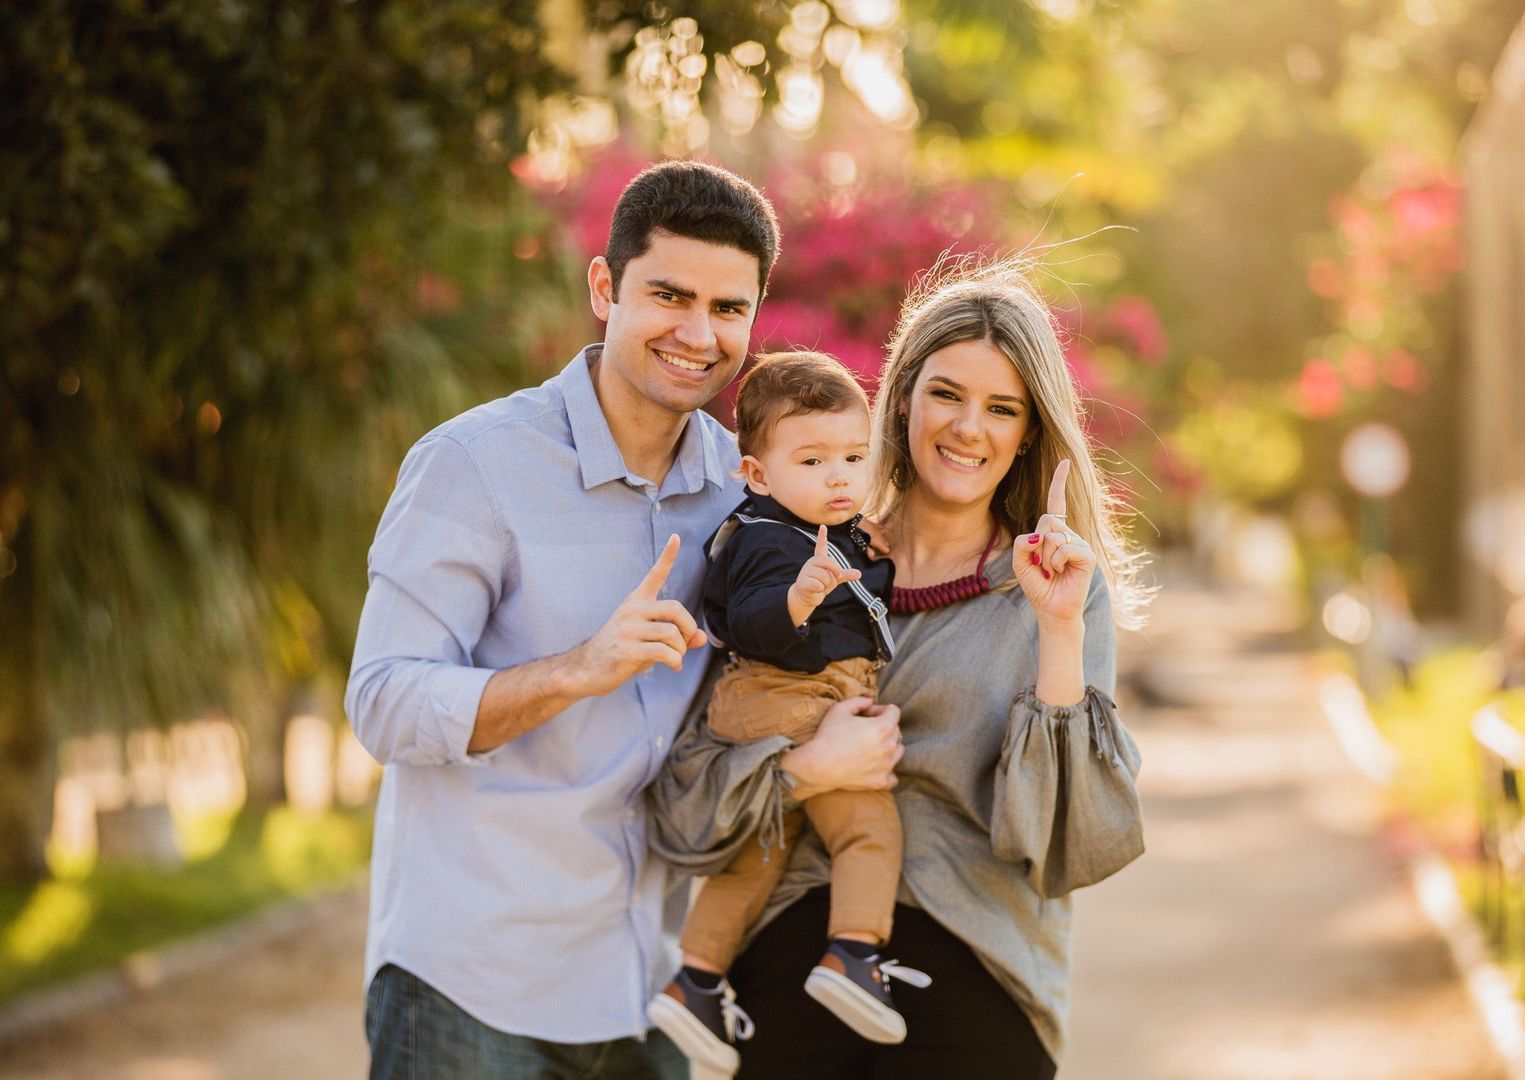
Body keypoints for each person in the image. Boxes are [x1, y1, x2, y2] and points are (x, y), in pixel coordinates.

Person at [344, 160, 902, 1080]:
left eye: (728, 309)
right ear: (605, 289)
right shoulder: (475, 464)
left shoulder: (752, 485)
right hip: (472, 989)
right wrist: (578, 668)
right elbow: (384, 704)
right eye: (670, 295)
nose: (698, 334)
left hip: (653, 986)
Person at [650, 258, 1151, 1079]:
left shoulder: (1057, 588)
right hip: (790, 949)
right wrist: (802, 772)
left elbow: (1068, 848)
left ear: (1027, 431)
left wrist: (1057, 632)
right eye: (947, 394)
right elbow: (685, 807)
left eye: (1001, 408)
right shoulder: (796, 554)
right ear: (904, 397)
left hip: (976, 962)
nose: (967, 428)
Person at [648, 352, 925, 1076]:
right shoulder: (767, 541)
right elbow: (753, 620)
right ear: (757, 476)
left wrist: (875, 556)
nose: (838, 476)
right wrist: (796, 599)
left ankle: (696, 981)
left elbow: (856, 588)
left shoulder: (822, 530)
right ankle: (854, 955)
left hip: (777, 701)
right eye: (811, 460)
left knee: (761, 847)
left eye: (852, 456)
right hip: (785, 694)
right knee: (867, 831)